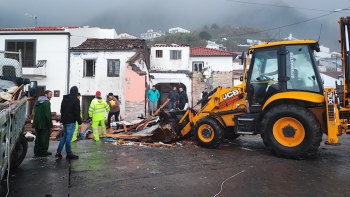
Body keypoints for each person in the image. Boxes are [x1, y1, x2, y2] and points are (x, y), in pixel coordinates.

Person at [55, 86, 82, 160]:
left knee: (64, 136)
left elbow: (61, 110)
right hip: (71, 121)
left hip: (64, 121)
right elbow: (77, 112)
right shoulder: (76, 100)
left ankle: (58, 153)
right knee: (68, 138)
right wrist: (79, 122)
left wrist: (63, 118)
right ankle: (69, 153)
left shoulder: (65, 99)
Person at [32, 90, 53, 157]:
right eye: (50, 94)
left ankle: (37, 151)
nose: (51, 96)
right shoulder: (46, 102)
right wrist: (50, 125)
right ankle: (43, 152)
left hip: (37, 123)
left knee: (38, 137)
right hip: (44, 124)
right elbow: (47, 114)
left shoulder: (37, 102)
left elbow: (33, 113)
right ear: (45, 95)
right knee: (44, 138)